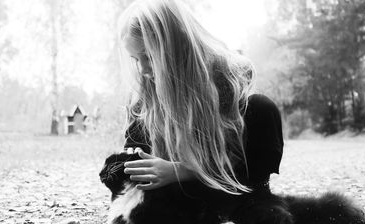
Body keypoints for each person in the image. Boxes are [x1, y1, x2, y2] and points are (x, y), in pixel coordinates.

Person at [118, 0, 283, 199]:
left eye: (149, 57)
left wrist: (179, 171)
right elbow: (129, 164)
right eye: (136, 59)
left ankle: (257, 206)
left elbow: (240, 161)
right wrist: (132, 164)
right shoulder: (145, 97)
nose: (143, 69)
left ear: (176, 46)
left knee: (261, 107)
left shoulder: (224, 80)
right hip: (179, 199)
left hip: (235, 189)